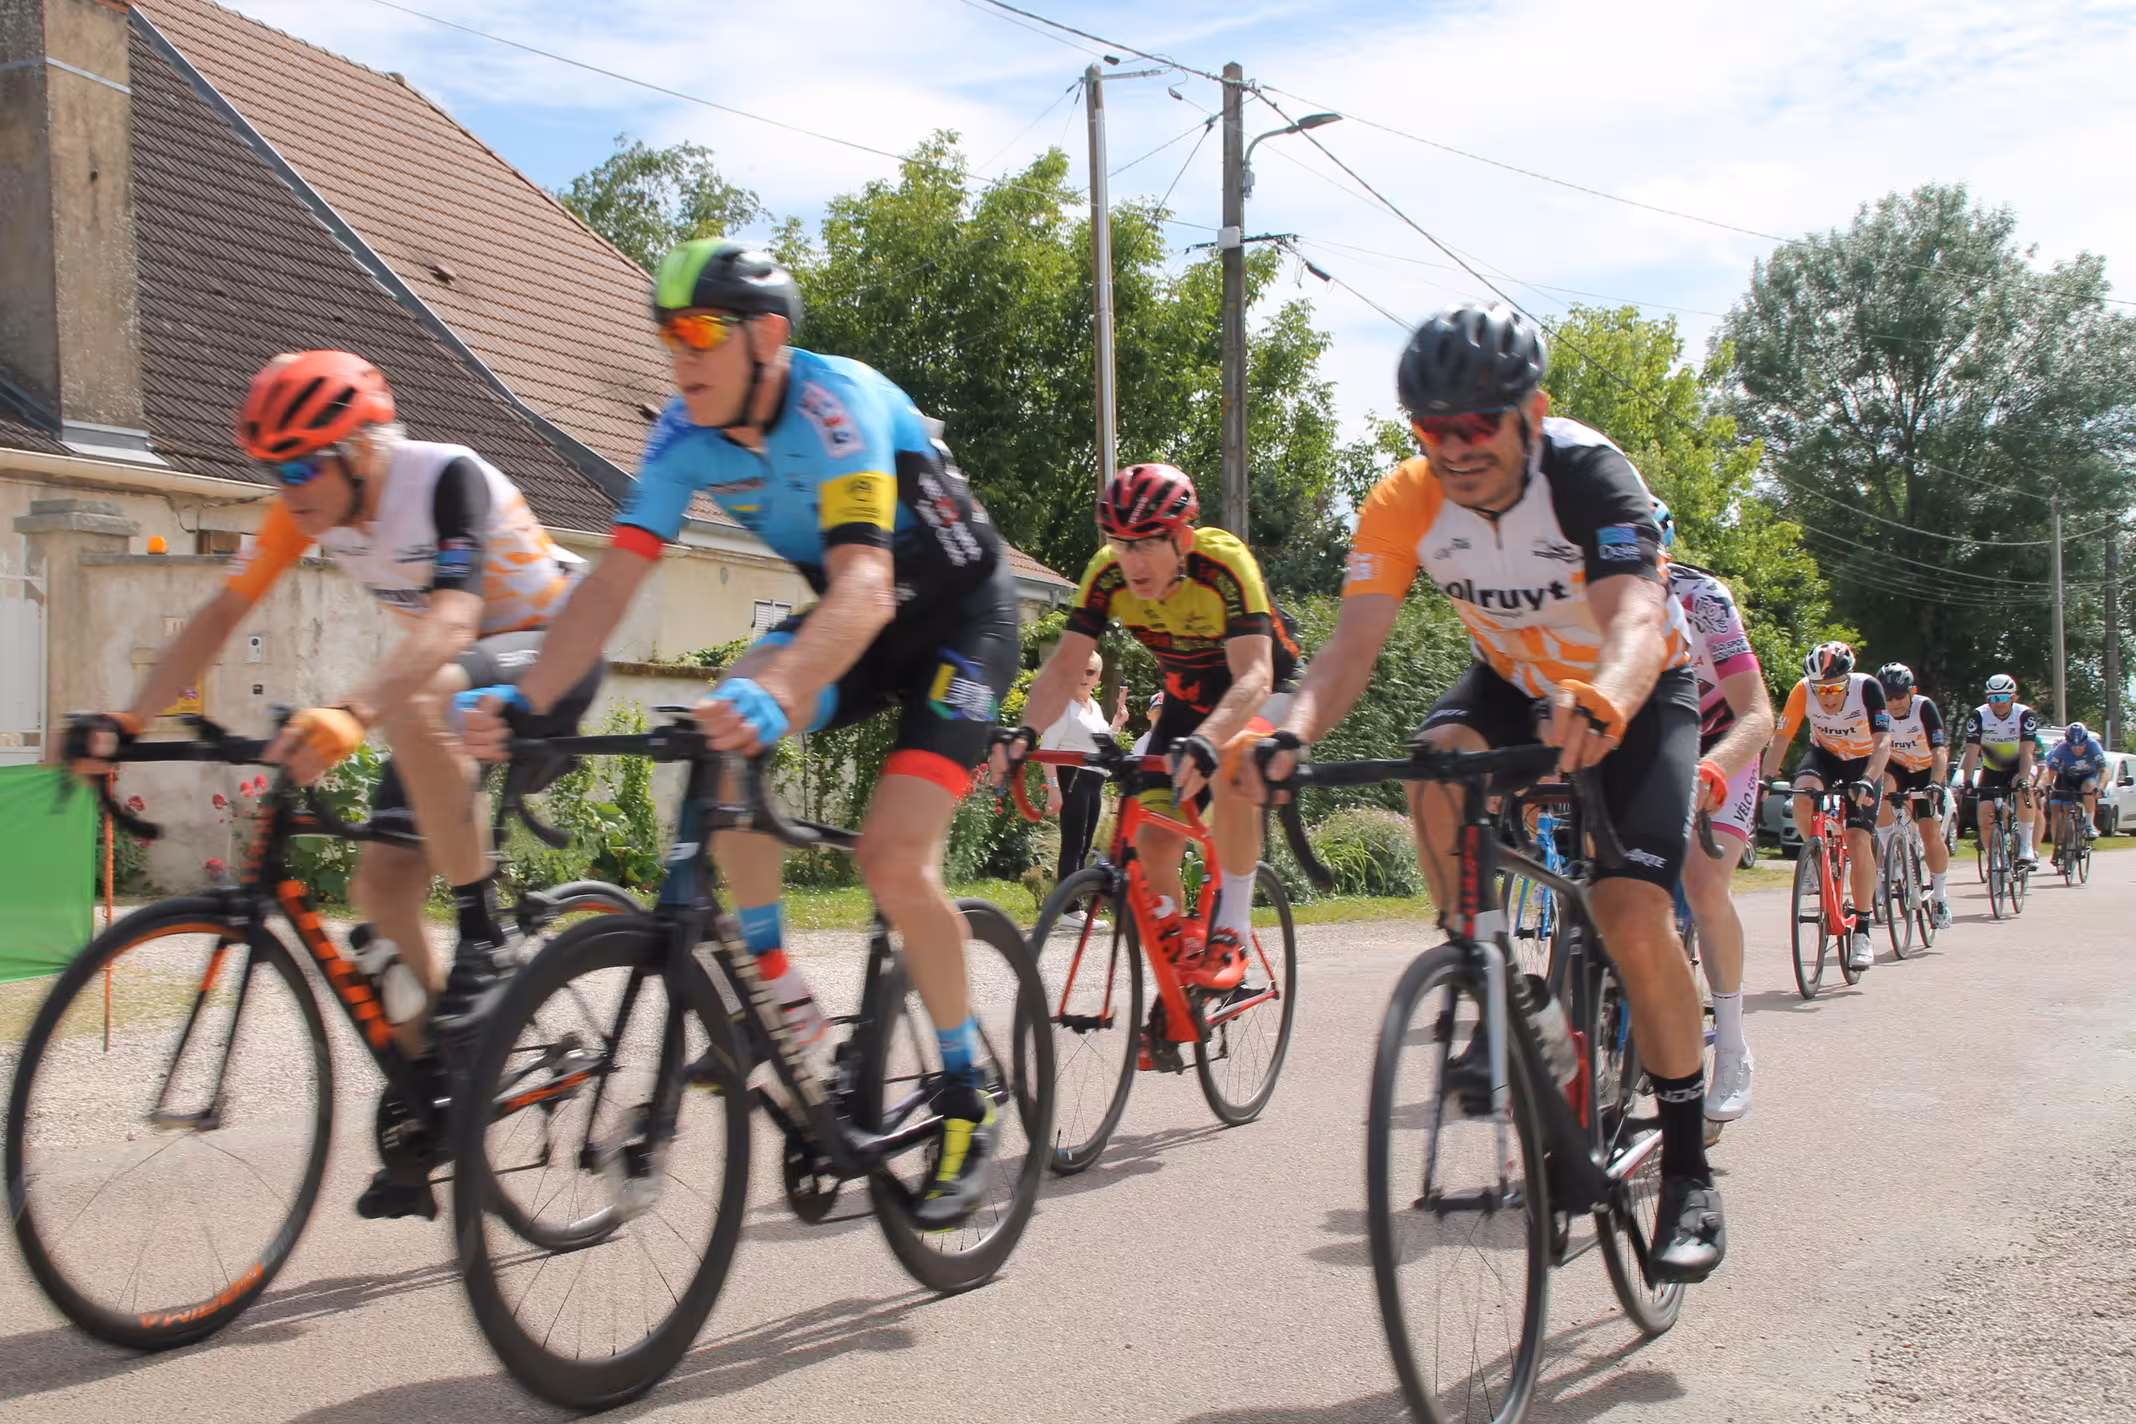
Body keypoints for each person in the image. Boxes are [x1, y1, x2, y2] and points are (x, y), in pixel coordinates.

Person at [462, 239, 1014, 1227]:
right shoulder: (682, 434)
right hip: (860, 624)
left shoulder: (835, 403)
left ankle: (967, 1090)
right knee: (725, 724)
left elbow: (866, 584)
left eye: (699, 331)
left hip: (958, 623)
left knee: (892, 858)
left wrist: (783, 687)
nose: (679, 353)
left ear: (765, 336)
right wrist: (528, 698)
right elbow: (610, 585)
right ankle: (777, 991)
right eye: (667, 334)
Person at [1250, 303, 1725, 1283]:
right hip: (1514, 682)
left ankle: (1688, 1169)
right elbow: (1348, 649)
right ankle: (1494, 975)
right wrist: (1288, 733)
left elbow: (1637, 619)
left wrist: (1607, 695)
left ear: (1530, 414)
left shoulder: (1589, 475)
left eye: (1476, 424)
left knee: (1632, 912)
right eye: (1435, 429)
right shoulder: (1405, 499)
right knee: (1435, 765)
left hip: (1636, 688)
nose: (1456, 447)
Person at [64, 349, 595, 1221]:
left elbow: (455, 619)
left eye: (305, 465)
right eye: (274, 470)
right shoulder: (305, 510)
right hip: (450, 682)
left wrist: (350, 712)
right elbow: (221, 613)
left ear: (362, 450)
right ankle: (440, 1101)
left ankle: (484, 939)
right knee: (380, 890)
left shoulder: (445, 480)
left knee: (413, 702)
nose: (290, 486)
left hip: (551, 650)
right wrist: (126, 721)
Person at [999, 463, 1300, 992]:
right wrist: (1024, 734)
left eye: (1146, 544)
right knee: (1154, 841)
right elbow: (1066, 668)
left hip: (1264, 690)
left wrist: (1208, 742)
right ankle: (1183, 978)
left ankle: (1231, 930)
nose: (1131, 560)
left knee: (1237, 760)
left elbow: (1255, 675)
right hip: (1187, 701)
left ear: (1182, 538)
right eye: (1120, 543)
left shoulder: (1223, 562)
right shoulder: (1108, 574)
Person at [1656, 503, 1775, 1126]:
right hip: (1652, 742)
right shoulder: (1574, 596)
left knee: (1704, 885)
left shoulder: (1703, 599)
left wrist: (1712, 768)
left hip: (1723, 741)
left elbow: (1758, 714)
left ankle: (1731, 1046)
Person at [1764, 641, 1891, 971]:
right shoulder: (1802, 691)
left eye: (1834, 688)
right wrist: (1765, 778)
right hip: (1825, 756)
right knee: (1802, 796)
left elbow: (1883, 742)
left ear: (1847, 681)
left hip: (1864, 762)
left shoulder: (1868, 689)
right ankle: (1815, 857)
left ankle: (1862, 929)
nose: (1828, 696)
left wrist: (1868, 779)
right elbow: (1781, 738)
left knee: (1859, 839)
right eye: (1820, 689)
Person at [1040, 648, 1126, 925]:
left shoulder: (1094, 707)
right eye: (1078, 670)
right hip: (1073, 777)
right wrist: (1053, 787)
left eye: (1090, 671)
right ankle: (1070, 909)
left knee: (1084, 845)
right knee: (1073, 844)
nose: (1083, 676)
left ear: (1098, 677)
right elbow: (1047, 750)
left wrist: (1117, 725)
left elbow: (1101, 744)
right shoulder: (1064, 706)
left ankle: (1074, 907)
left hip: (1094, 780)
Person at [1873, 663, 1951, 926]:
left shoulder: (1924, 708)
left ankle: (1939, 896)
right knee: (1882, 790)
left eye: (1898, 696)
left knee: (1929, 833)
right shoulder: (1877, 711)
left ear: (1912, 692)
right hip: (1896, 768)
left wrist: (1935, 783)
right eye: (1888, 697)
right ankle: (1892, 854)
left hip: (1926, 771)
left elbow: (1939, 751)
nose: (1893, 703)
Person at [1958, 673, 2041, 870]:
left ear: (2013, 697)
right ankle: (1993, 859)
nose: (1999, 703)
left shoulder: (2025, 715)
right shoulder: (1978, 716)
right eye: (1994, 698)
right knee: (1985, 815)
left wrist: (2023, 778)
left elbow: (2027, 751)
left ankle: (2026, 846)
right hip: (1993, 769)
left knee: (2023, 790)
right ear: (1988, 698)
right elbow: (1971, 751)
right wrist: (1967, 781)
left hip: (2019, 765)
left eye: (2003, 697)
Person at [2044, 720, 2108, 845]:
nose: (2077, 749)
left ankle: (2089, 825)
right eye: (2073, 746)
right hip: (2068, 778)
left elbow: (2104, 770)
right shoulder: (2061, 748)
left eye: (2081, 746)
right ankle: (2061, 844)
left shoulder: (2093, 746)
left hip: (2087, 777)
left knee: (2089, 788)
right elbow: (2052, 770)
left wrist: (2100, 788)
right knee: (2062, 807)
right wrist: (2049, 785)